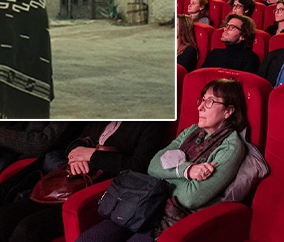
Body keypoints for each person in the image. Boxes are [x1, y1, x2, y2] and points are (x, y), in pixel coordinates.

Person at [76, 80, 249, 241]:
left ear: (228, 111)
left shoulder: (230, 147)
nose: (200, 107)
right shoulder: (192, 131)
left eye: (210, 101)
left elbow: (189, 197)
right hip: (147, 203)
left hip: (176, 216)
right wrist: (187, 171)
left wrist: (166, 175)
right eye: (202, 100)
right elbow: (153, 165)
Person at [0, 122, 163, 242]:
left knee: (27, 229)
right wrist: (77, 156)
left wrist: (92, 156)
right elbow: (76, 143)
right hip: (69, 181)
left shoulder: (150, 123)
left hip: (101, 190)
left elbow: (140, 166)